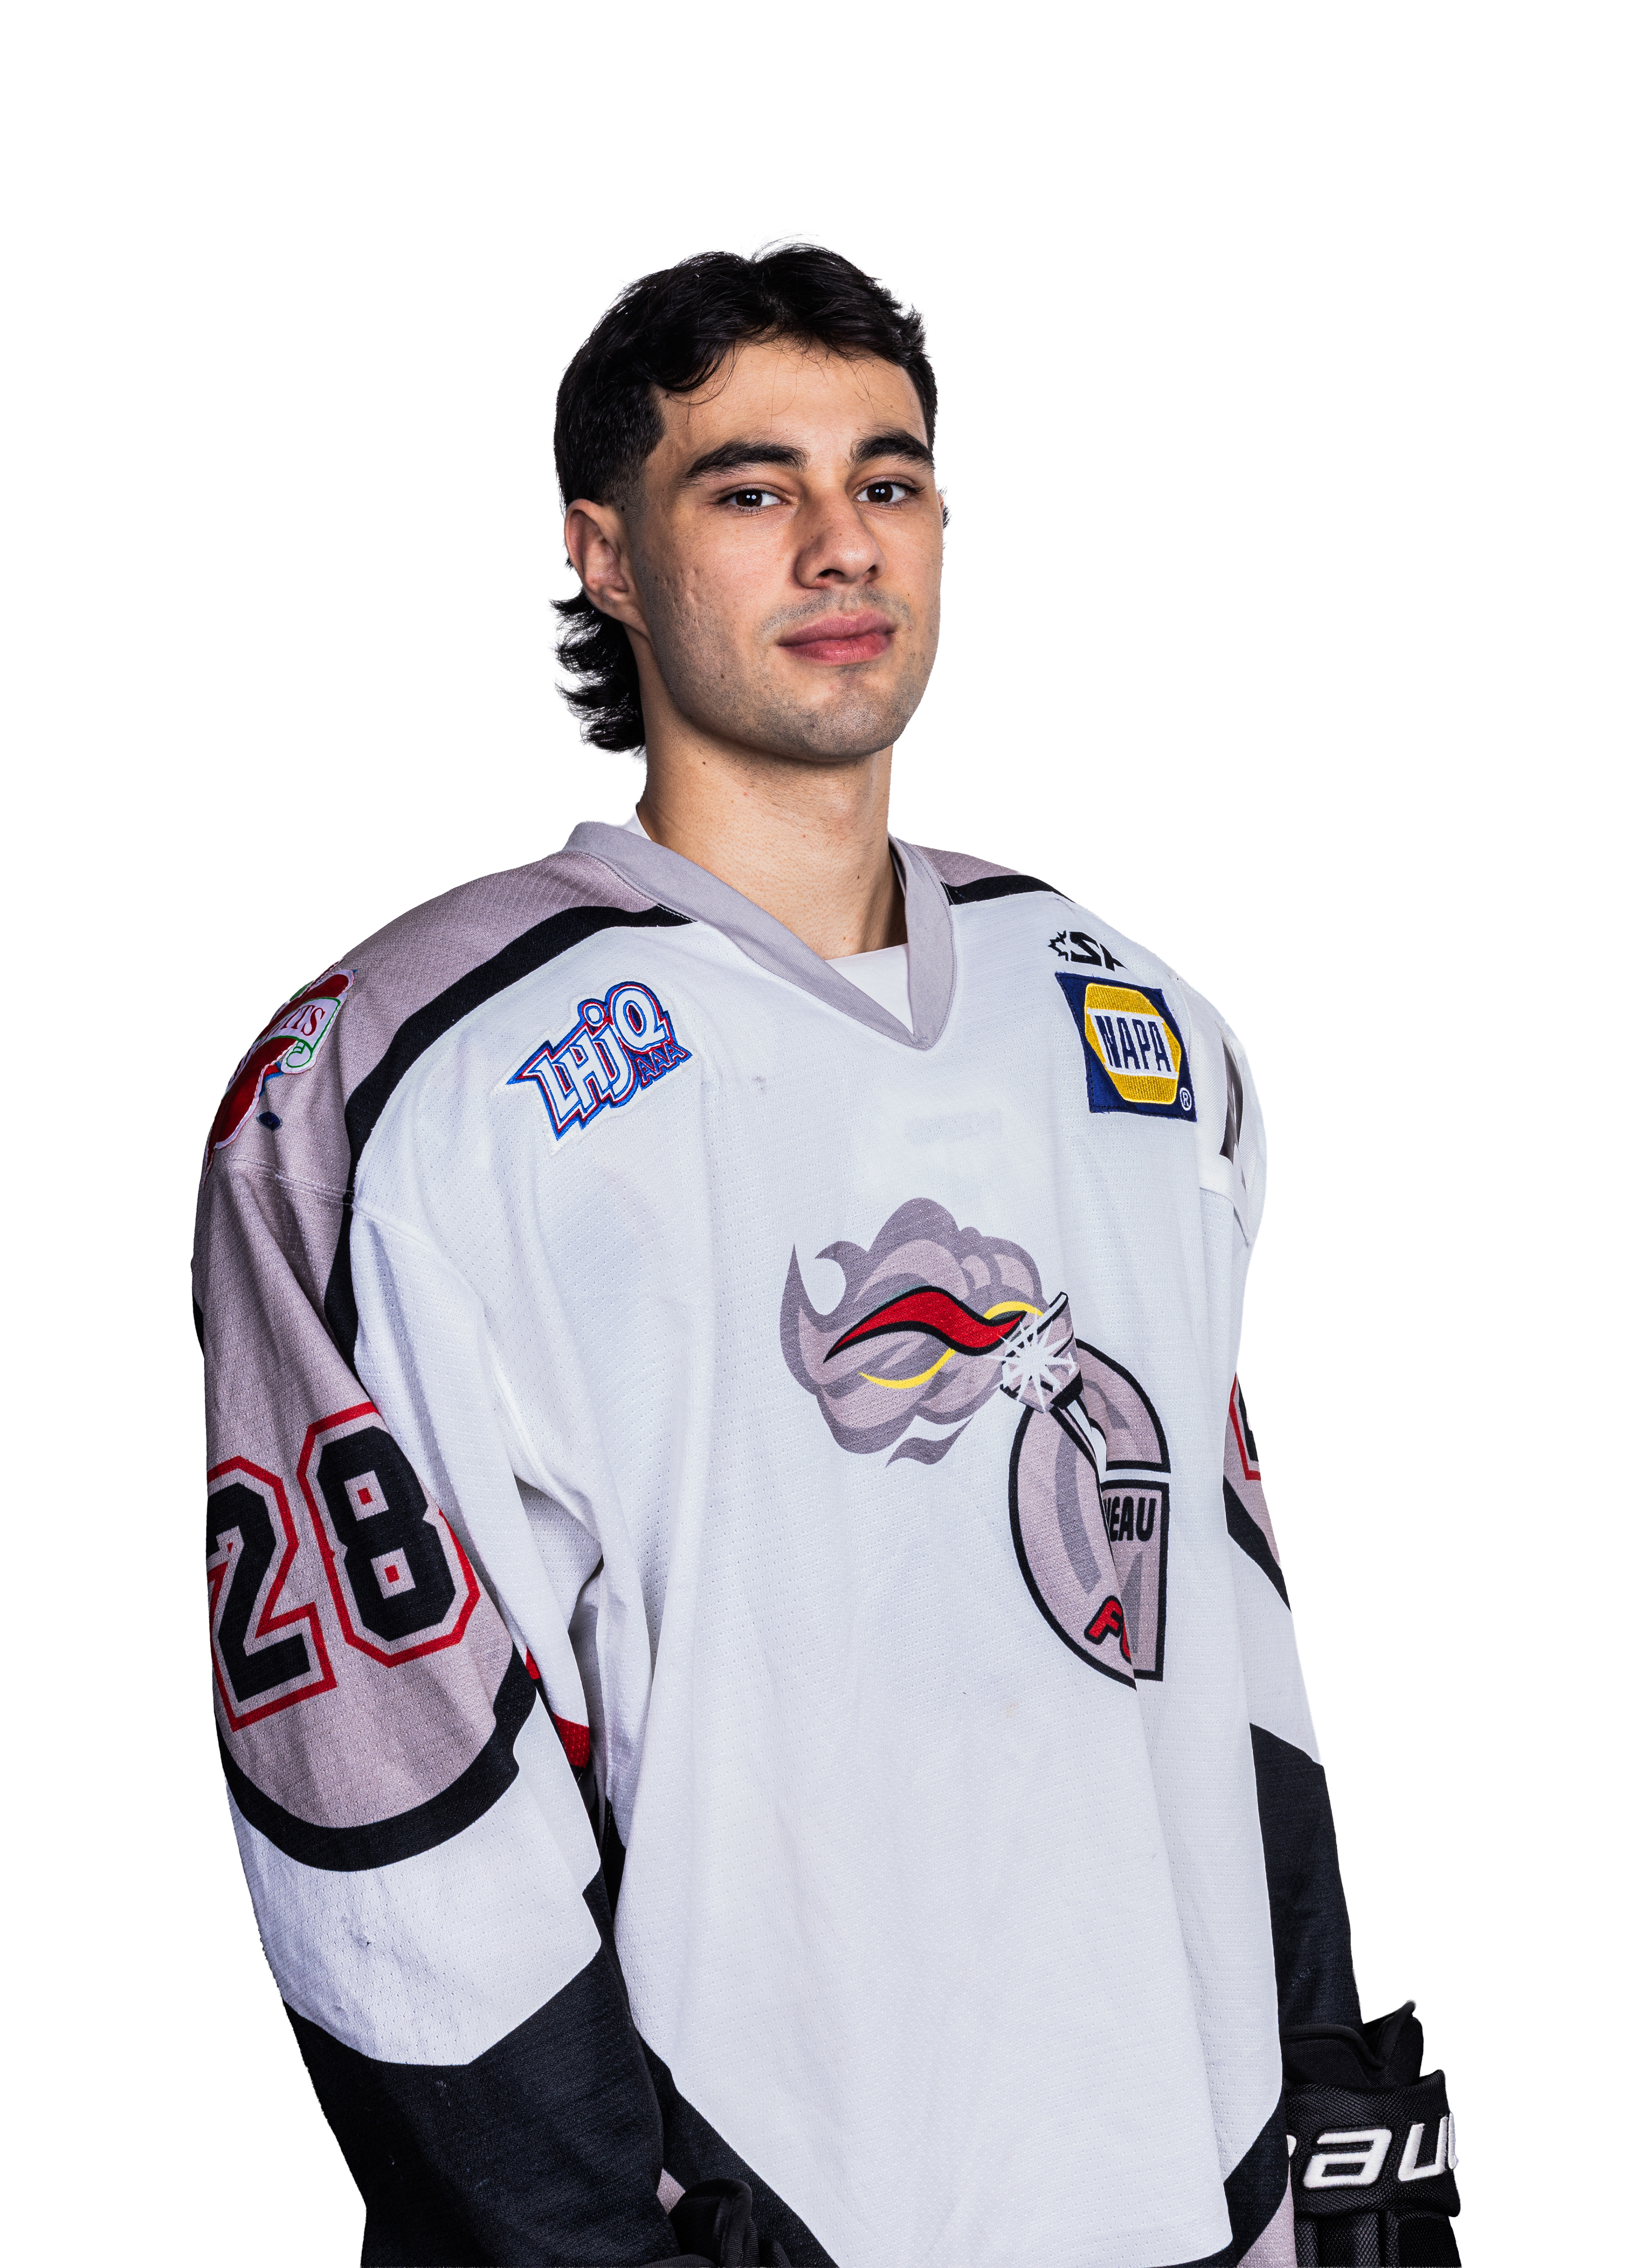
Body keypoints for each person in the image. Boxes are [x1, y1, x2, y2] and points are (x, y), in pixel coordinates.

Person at [194, 246, 1461, 2268]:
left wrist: (1332, 2120)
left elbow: (1223, 1640)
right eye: (750, 487)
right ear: (604, 556)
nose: (841, 542)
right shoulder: (411, 1077)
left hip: (1183, 2200)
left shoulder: (1132, 1025)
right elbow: (377, 1766)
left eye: (888, 479)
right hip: (765, 2210)